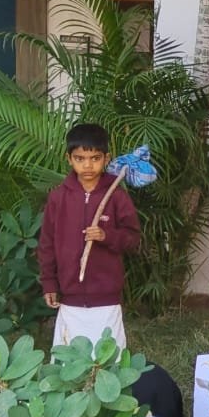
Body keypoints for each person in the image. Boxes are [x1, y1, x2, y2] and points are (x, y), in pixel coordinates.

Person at [38, 123, 141, 349]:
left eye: (95, 158)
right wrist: (49, 283)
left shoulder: (116, 196)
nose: (87, 165)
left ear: (106, 158)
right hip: (70, 299)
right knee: (69, 360)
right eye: (80, 158)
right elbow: (47, 244)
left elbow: (133, 239)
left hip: (106, 299)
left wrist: (107, 236)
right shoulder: (58, 198)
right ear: (69, 159)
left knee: (109, 358)